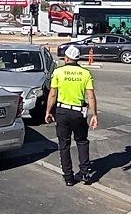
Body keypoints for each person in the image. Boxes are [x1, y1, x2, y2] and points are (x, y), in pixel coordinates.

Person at [45, 45, 98, 187]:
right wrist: (95, 114)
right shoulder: (85, 73)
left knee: (64, 144)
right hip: (79, 113)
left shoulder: (58, 72)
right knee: (82, 141)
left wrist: (48, 111)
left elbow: (52, 93)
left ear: (67, 58)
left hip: (62, 111)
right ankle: (85, 173)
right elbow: (91, 96)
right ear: (77, 59)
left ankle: (68, 177)